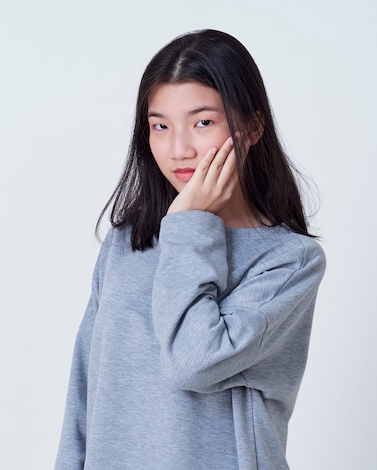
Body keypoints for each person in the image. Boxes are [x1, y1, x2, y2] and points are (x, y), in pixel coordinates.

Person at [54, 29, 326, 470]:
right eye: (160, 126)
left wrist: (190, 225)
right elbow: (86, 385)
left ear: (252, 126)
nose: (179, 149)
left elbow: (194, 363)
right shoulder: (128, 243)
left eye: (202, 122)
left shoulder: (289, 262)